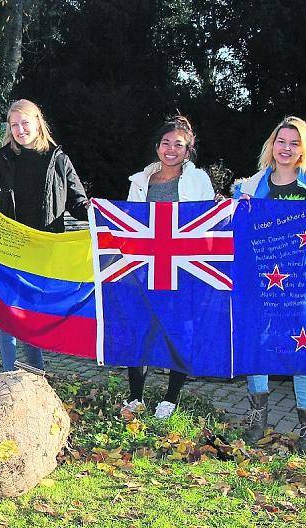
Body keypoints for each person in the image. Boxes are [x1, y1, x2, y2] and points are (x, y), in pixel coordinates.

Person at [0, 99, 89, 372]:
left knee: (32, 316)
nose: (20, 129)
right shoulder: (2, 159)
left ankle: (35, 376)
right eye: (14, 125)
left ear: (37, 122)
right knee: (7, 314)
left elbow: (78, 203)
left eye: (25, 123)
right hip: (9, 247)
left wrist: (100, 214)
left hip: (44, 250)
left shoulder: (59, 160)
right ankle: (10, 376)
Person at [121, 116, 214, 419]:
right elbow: (127, 224)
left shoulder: (198, 179)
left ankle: (170, 399)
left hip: (182, 267)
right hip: (145, 266)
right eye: (165, 143)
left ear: (188, 150)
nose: (171, 149)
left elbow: (210, 223)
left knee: (178, 332)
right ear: (157, 146)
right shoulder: (139, 181)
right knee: (140, 331)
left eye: (178, 144)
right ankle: (135, 397)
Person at [233, 116, 306, 450]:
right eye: (281, 141)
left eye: (294, 142)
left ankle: (304, 426)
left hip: (301, 283)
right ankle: (257, 420)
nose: (287, 148)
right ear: (271, 146)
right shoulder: (249, 188)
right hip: (260, 281)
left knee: (301, 349)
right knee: (257, 343)